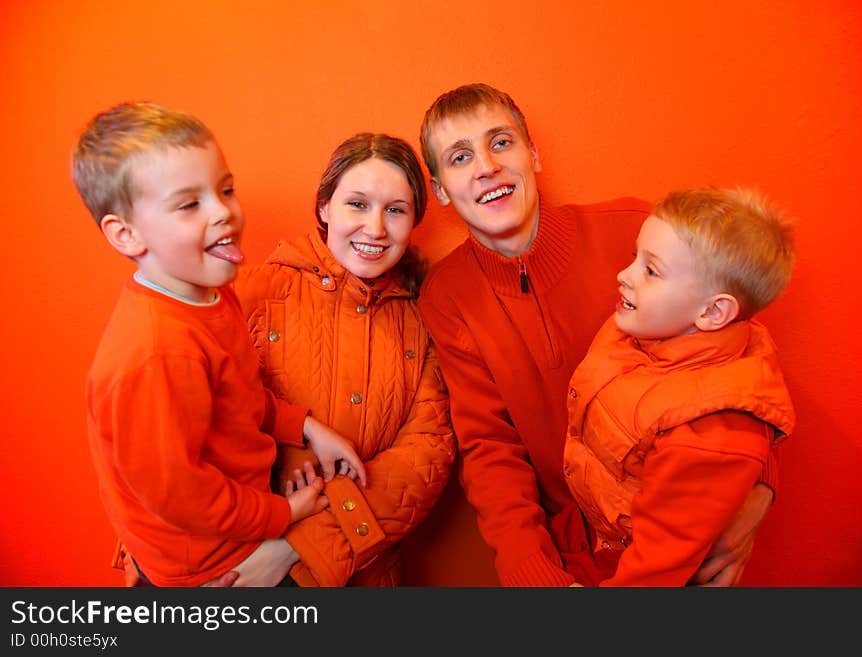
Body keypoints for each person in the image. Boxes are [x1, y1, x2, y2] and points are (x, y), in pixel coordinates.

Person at [416, 82, 779, 586]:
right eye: (459, 157)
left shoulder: (636, 232)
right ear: (439, 191)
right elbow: (490, 448)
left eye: (501, 143)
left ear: (533, 153)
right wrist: (533, 574)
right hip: (572, 551)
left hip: (678, 541)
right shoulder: (447, 296)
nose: (486, 166)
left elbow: (737, 358)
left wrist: (756, 492)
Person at [72, 102, 366, 587]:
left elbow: (237, 399)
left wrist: (306, 426)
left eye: (225, 190)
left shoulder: (211, 292)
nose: (224, 212)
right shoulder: (155, 350)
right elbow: (181, 494)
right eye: (190, 204)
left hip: (238, 516)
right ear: (126, 234)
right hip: (208, 566)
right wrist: (282, 514)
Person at [231, 132, 456, 586]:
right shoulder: (253, 293)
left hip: (359, 574)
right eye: (357, 204)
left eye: (395, 210)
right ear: (324, 208)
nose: (375, 229)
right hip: (233, 568)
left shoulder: (426, 316)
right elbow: (187, 413)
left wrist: (298, 548)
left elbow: (426, 455)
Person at [564, 187, 795, 586]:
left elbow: (657, 569)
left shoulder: (708, 432)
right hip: (588, 541)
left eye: (651, 270)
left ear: (712, 312)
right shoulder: (645, 325)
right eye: (633, 259)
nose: (624, 275)